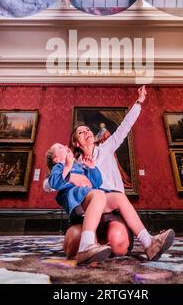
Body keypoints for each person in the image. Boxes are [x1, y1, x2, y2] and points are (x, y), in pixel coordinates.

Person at [44, 86, 175, 261]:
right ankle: (88, 244)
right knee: (73, 243)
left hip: (110, 207)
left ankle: (149, 243)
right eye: (81, 132)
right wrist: (70, 176)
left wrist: (139, 101)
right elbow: (48, 184)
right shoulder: (72, 162)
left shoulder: (106, 148)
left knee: (118, 240)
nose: (87, 132)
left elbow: (124, 127)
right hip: (84, 210)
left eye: (88, 130)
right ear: (75, 142)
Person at [46, 143, 112, 265]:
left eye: (65, 146)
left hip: (94, 200)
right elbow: (53, 182)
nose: (65, 146)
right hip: (79, 204)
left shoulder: (80, 166)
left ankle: (147, 240)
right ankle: (87, 246)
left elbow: (96, 183)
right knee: (82, 245)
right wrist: (67, 166)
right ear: (56, 158)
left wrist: (91, 167)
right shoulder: (60, 166)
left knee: (107, 196)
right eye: (60, 147)